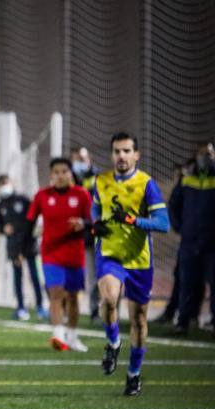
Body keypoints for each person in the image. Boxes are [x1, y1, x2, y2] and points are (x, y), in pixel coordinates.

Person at [91, 132, 169, 395]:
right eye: (117, 151)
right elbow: (95, 210)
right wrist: (95, 226)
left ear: (136, 155)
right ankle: (113, 342)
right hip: (110, 255)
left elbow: (163, 224)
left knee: (138, 320)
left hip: (139, 260)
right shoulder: (100, 181)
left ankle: (134, 373)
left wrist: (133, 221)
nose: (121, 156)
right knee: (110, 299)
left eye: (126, 151)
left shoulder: (147, 184)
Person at [26, 158, 92, 352]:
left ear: (71, 174)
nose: (60, 175)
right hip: (50, 254)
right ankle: (58, 335)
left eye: (64, 171)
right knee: (55, 292)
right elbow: (30, 221)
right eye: (56, 172)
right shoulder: (42, 195)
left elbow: (93, 221)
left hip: (74, 255)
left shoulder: (81, 195)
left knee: (72, 297)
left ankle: (72, 336)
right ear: (51, 175)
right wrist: (24, 247)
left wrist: (83, 224)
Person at [168, 142, 215, 336]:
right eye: (203, 153)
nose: (206, 157)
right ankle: (183, 321)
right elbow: (173, 205)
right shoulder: (187, 179)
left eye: (210, 154)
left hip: (212, 243)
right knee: (186, 282)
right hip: (189, 241)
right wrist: (179, 227)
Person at [0, 174, 46, 321]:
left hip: (29, 246)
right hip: (14, 248)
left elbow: (32, 221)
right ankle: (21, 307)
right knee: (17, 278)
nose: (4, 186)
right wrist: (4, 229)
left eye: (6, 182)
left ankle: (41, 306)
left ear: (11, 183)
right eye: (1, 184)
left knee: (35, 277)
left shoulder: (23, 200)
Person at [71, 146, 102, 322]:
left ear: (89, 160)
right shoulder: (68, 179)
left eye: (82, 159)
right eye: (77, 159)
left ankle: (95, 311)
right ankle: (67, 309)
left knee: (96, 276)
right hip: (72, 237)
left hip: (93, 236)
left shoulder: (98, 179)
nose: (79, 163)